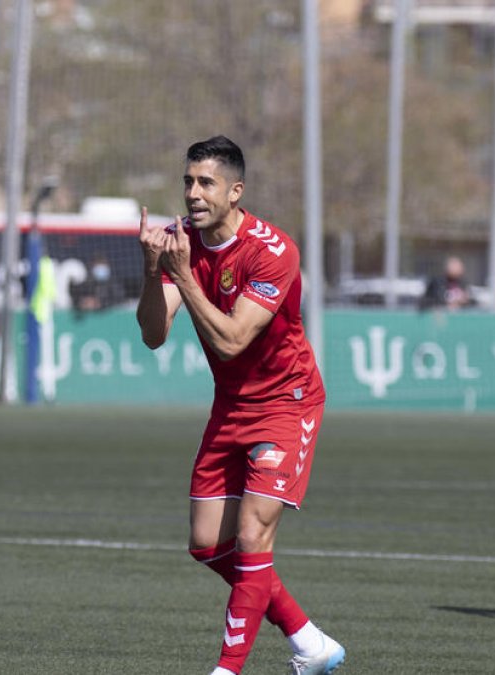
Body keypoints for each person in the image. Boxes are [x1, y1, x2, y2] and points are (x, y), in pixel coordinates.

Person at [136, 136, 345, 675]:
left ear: (235, 191)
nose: (193, 193)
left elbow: (232, 340)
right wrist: (153, 270)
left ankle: (227, 670)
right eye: (188, 181)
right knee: (207, 544)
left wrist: (182, 274)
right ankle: (309, 642)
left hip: (286, 404)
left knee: (252, 536)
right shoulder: (183, 245)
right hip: (230, 406)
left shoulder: (272, 251)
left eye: (206, 183)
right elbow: (154, 335)